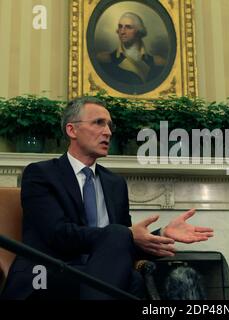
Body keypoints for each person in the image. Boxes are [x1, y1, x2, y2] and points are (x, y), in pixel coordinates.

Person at [1, 96, 213, 300]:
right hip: (48, 272)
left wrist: (161, 234)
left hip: (104, 274)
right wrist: (122, 234)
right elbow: (56, 234)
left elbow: (122, 244)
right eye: (98, 123)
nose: (108, 132)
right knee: (129, 278)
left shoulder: (115, 184)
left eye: (110, 125)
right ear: (71, 130)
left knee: (135, 278)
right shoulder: (41, 173)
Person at [96, 12, 166, 85]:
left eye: (128, 27)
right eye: (120, 27)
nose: (122, 32)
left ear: (139, 31)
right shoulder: (105, 60)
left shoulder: (157, 63)